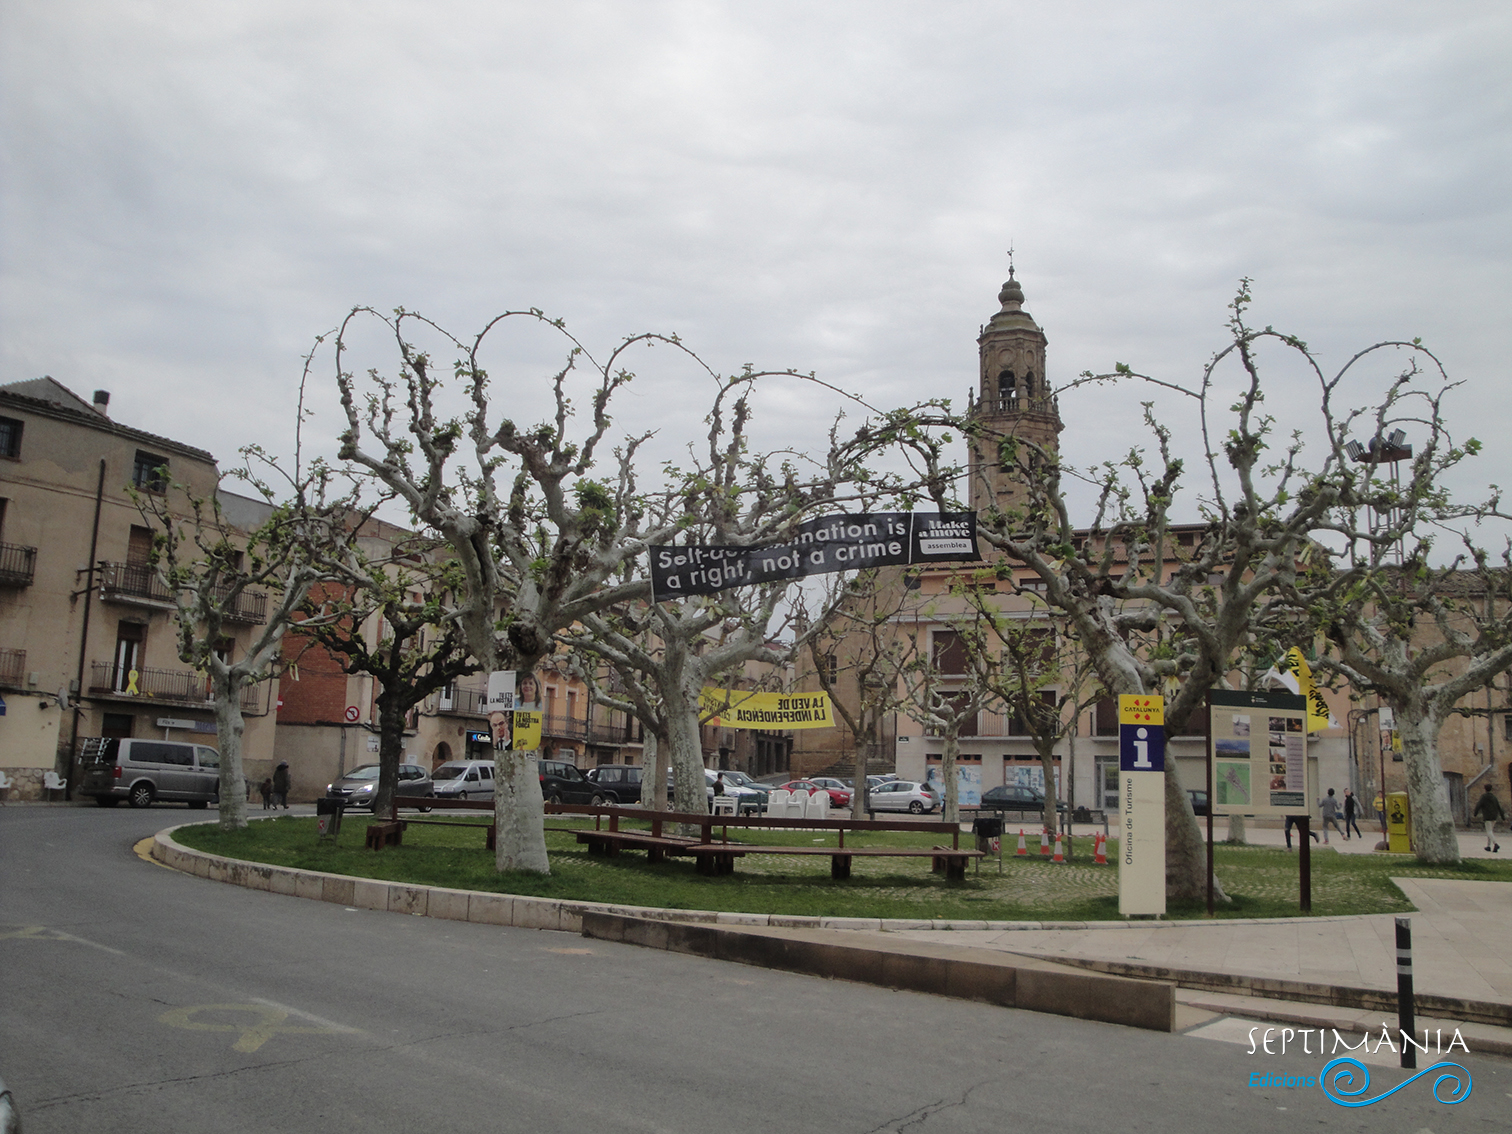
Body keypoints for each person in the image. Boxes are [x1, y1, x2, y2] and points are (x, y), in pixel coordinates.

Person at [1471, 783, 1504, 853]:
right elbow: (1499, 807)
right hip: (1494, 816)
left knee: (1489, 831)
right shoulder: (1494, 797)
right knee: (1490, 831)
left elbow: (1478, 805)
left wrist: (1475, 813)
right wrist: (1502, 816)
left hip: (1487, 816)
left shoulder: (1484, 797)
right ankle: (1488, 846)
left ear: (1485, 789)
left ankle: (1495, 844)